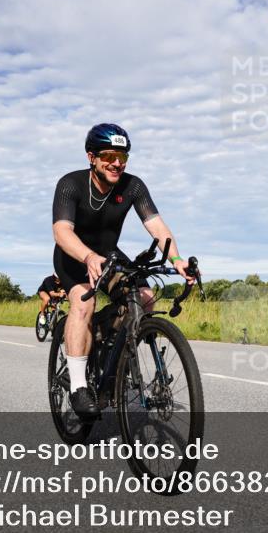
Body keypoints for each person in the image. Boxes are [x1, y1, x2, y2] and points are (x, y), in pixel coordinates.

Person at [52, 123, 195, 418]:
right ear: (92, 157)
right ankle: (78, 386)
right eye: (109, 156)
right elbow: (62, 231)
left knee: (145, 298)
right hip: (74, 255)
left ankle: (106, 338)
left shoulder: (134, 186)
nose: (117, 163)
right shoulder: (71, 184)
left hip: (109, 256)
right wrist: (88, 256)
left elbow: (157, 227)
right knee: (84, 303)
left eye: (123, 157)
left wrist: (177, 259)